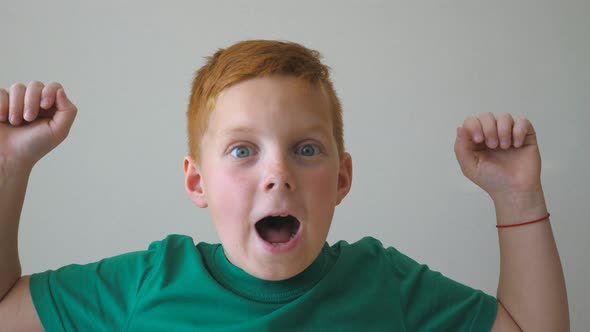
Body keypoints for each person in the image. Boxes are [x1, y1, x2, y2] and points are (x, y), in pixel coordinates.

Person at [0, 40, 568, 331]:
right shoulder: (148, 283)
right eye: (243, 151)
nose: (278, 174)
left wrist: (519, 198)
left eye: (306, 149)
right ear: (197, 182)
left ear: (341, 179)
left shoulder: (384, 283)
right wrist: (8, 169)